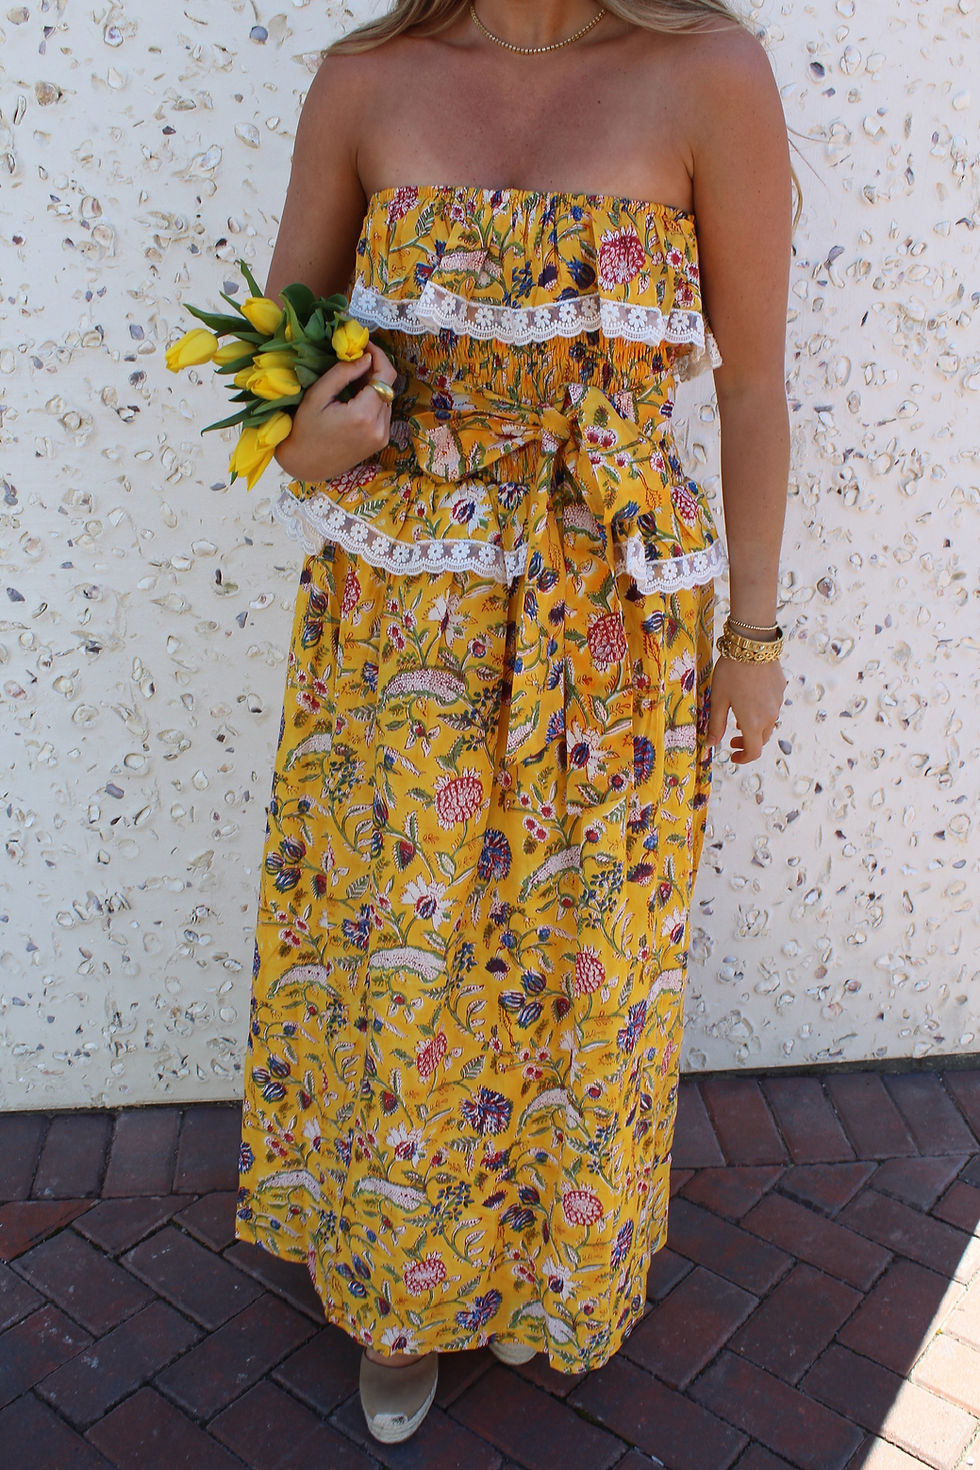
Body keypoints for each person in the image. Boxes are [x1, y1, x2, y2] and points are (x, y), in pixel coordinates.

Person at [235, 0, 792, 1445]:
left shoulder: (706, 73)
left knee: (586, 962)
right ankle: (399, 1293)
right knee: (406, 964)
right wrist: (303, 440)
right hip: (403, 618)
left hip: (612, 622)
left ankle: (551, 1272)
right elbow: (277, 354)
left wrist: (754, 637)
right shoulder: (367, 81)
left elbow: (751, 383)